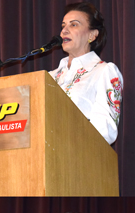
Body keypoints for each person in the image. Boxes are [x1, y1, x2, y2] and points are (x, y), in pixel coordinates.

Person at [49, 2, 123, 145]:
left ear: (92, 35)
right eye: (63, 26)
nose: (64, 31)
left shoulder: (103, 71)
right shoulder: (49, 77)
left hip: (79, 157)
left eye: (74, 25)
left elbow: (106, 130)